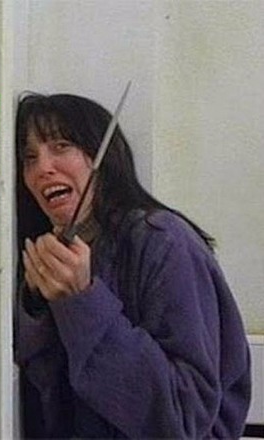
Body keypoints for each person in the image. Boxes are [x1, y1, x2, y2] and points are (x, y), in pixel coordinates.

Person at [14, 92, 251, 439]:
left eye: (61, 146)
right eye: (29, 157)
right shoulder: (54, 253)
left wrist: (82, 300)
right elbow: (49, 405)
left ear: (103, 158)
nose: (42, 168)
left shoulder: (165, 241)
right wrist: (37, 305)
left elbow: (183, 416)